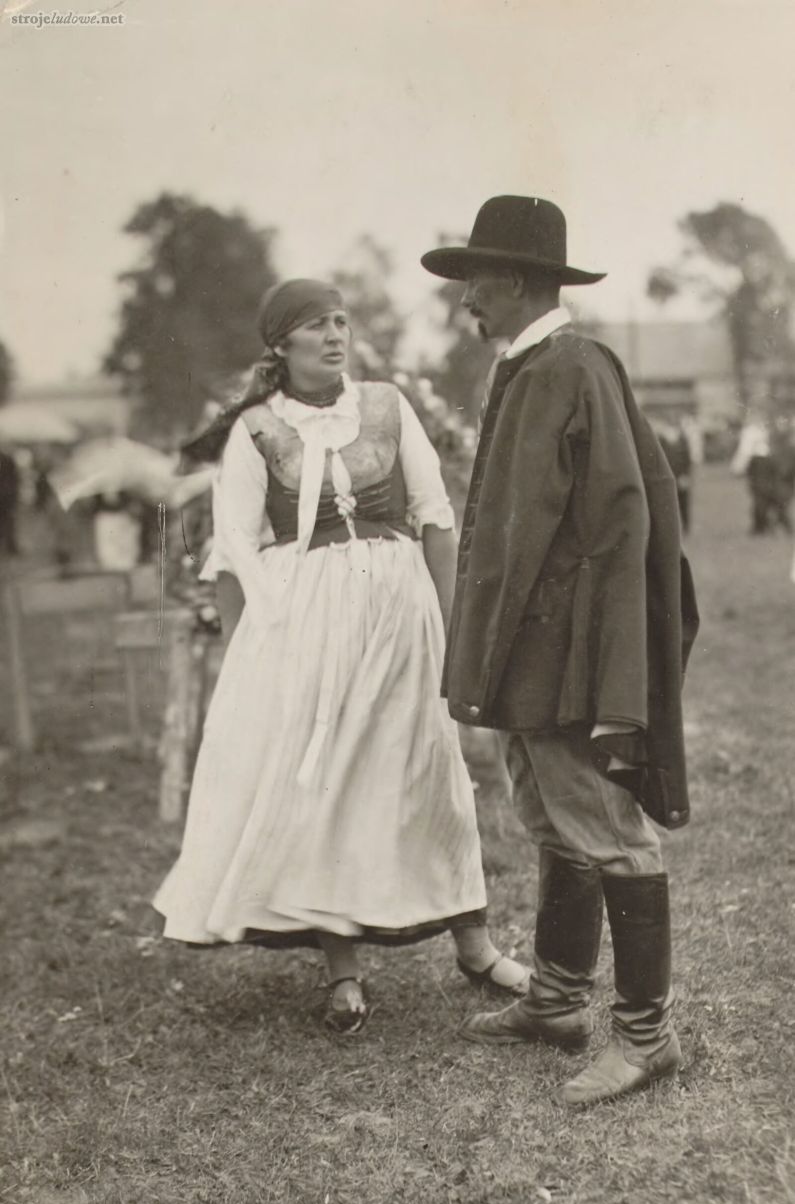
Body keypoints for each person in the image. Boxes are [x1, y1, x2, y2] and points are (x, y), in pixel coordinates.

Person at [153, 278, 529, 1033]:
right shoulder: (255, 429)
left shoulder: (387, 404)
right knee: (325, 784)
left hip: (399, 610)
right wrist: (252, 659)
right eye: (315, 327)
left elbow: (434, 517)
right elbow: (232, 552)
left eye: (339, 322)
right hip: (307, 624)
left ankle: (476, 945)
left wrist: (456, 632)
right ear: (281, 346)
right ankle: (342, 969)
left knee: (431, 769)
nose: (334, 337)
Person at [421, 197, 699, 1106]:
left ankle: (646, 1036)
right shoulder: (524, 366)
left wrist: (618, 683)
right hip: (521, 656)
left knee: (609, 833)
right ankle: (555, 999)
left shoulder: (577, 366)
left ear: (511, 279)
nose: (463, 299)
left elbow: (627, 529)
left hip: (573, 658)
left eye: (473, 281)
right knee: (548, 818)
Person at [0, 445, 20, 556]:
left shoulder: (7, 459)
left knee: (8, 521)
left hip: (6, 497)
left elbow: (14, 479)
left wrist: (13, 495)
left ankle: (10, 546)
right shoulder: (7, 459)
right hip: (6, 496)